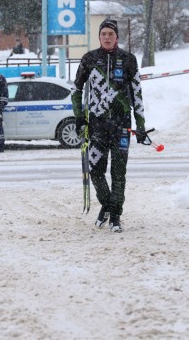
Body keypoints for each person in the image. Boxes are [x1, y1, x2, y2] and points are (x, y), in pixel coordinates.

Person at [72, 18, 147, 233]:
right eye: (103, 34)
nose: (107, 37)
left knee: (118, 172)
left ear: (117, 37)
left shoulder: (129, 59)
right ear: (99, 36)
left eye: (111, 34)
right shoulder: (89, 59)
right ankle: (106, 204)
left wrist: (141, 125)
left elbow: (137, 95)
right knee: (95, 170)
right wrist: (79, 117)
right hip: (96, 126)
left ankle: (115, 216)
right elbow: (76, 90)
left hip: (122, 126)